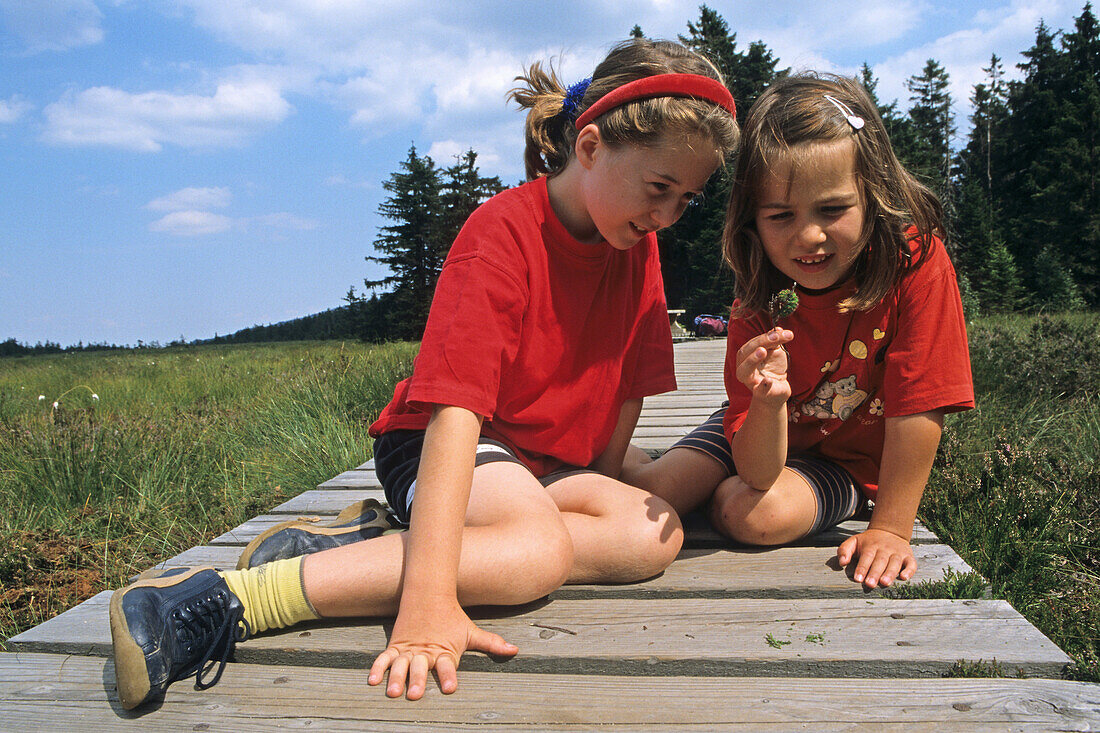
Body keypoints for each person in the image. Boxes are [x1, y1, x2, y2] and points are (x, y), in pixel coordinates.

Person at [107, 37, 739, 710]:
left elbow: (628, 391)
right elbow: (455, 414)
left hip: (539, 461)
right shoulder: (501, 232)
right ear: (589, 148)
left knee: (651, 532)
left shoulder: (635, 247)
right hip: (441, 441)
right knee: (536, 553)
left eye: (687, 201)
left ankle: (382, 544)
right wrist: (429, 598)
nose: (668, 217)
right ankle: (221, 599)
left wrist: (600, 484)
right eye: (659, 190)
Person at [623, 73, 973, 591]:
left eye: (832, 209)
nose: (808, 236)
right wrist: (765, 403)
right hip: (760, 429)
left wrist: (892, 528)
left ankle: (706, 483)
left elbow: (919, 402)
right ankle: (577, 457)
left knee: (749, 514)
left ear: (874, 194)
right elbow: (760, 467)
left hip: (848, 457)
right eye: (781, 215)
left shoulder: (914, 261)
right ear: (753, 221)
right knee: (651, 489)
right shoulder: (758, 293)